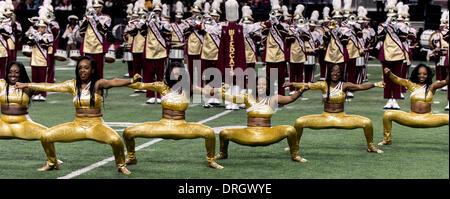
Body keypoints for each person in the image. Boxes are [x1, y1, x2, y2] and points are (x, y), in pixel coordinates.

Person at [15, 56, 134, 174]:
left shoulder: (98, 84)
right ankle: (52, 163)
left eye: (86, 68)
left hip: (96, 125)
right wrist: (27, 85)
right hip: (78, 125)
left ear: (92, 70)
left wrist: (131, 80)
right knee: (46, 136)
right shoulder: (72, 85)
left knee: (116, 140)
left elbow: (114, 82)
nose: (83, 70)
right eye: (80, 68)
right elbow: (50, 86)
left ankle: (121, 165)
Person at [123, 62, 224, 169]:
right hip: (163, 125)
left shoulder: (187, 87)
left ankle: (211, 160)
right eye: (174, 73)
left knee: (209, 132)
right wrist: (132, 80)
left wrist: (219, 90)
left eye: (179, 73)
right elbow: (140, 85)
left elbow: (206, 91)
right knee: (128, 132)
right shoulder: (161, 86)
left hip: (181, 126)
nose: (177, 76)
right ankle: (131, 158)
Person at [284, 64, 384, 154]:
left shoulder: (345, 85)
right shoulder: (323, 84)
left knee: (367, 123)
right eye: (333, 71)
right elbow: (307, 85)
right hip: (325, 117)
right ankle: (293, 145)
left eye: (338, 72)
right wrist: (292, 84)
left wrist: (375, 84)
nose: (335, 74)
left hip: (341, 118)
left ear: (341, 74)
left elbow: (361, 86)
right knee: (299, 122)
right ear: (329, 73)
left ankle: (370, 146)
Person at [214, 76, 307, 163]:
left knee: (290, 130)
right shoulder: (247, 97)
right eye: (259, 84)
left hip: (267, 133)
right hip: (249, 133)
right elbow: (232, 98)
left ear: (268, 87)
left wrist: (301, 90)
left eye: (264, 84)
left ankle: (295, 155)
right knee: (224, 133)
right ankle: (223, 153)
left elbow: (290, 98)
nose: (261, 86)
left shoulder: (273, 98)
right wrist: (221, 91)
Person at [0, 62, 60, 171]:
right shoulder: (2, 84)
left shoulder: (27, 87)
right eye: (10, 72)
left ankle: (52, 162)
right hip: (4, 125)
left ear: (21, 74)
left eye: (16, 72)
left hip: (23, 125)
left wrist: (29, 85)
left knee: (47, 134)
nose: (13, 75)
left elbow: (48, 87)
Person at [378, 65, 449, 146]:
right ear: (416, 74)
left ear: (428, 75)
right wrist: (389, 74)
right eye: (419, 74)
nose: (422, 76)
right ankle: (387, 140)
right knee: (388, 114)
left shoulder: (432, 86)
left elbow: (446, 82)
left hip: (428, 118)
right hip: (411, 118)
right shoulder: (410, 84)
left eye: (424, 74)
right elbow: (398, 80)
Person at [79, 0, 111, 79]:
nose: (96, 9)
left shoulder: (106, 18)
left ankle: (98, 88)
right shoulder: (87, 17)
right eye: (94, 7)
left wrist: (96, 18)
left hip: (99, 46)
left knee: (99, 69)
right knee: (87, 69)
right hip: (88, 46)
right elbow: (81, 31)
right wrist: (87, 19)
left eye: (98, 8)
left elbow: (103, 31)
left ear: (101, 8)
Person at [27, 18, 53, 101]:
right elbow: (29, 43)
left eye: (42, 27)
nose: (40, 29)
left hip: (43, 60)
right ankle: (35, 93)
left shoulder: (49, 35)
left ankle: (43, 94)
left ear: (45, 28)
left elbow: (45, 44)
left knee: (42, 79)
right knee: (34, 79)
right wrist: (32, 37)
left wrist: (38, 37)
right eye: (39, 27)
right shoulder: (35, 34)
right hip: (34, 60)